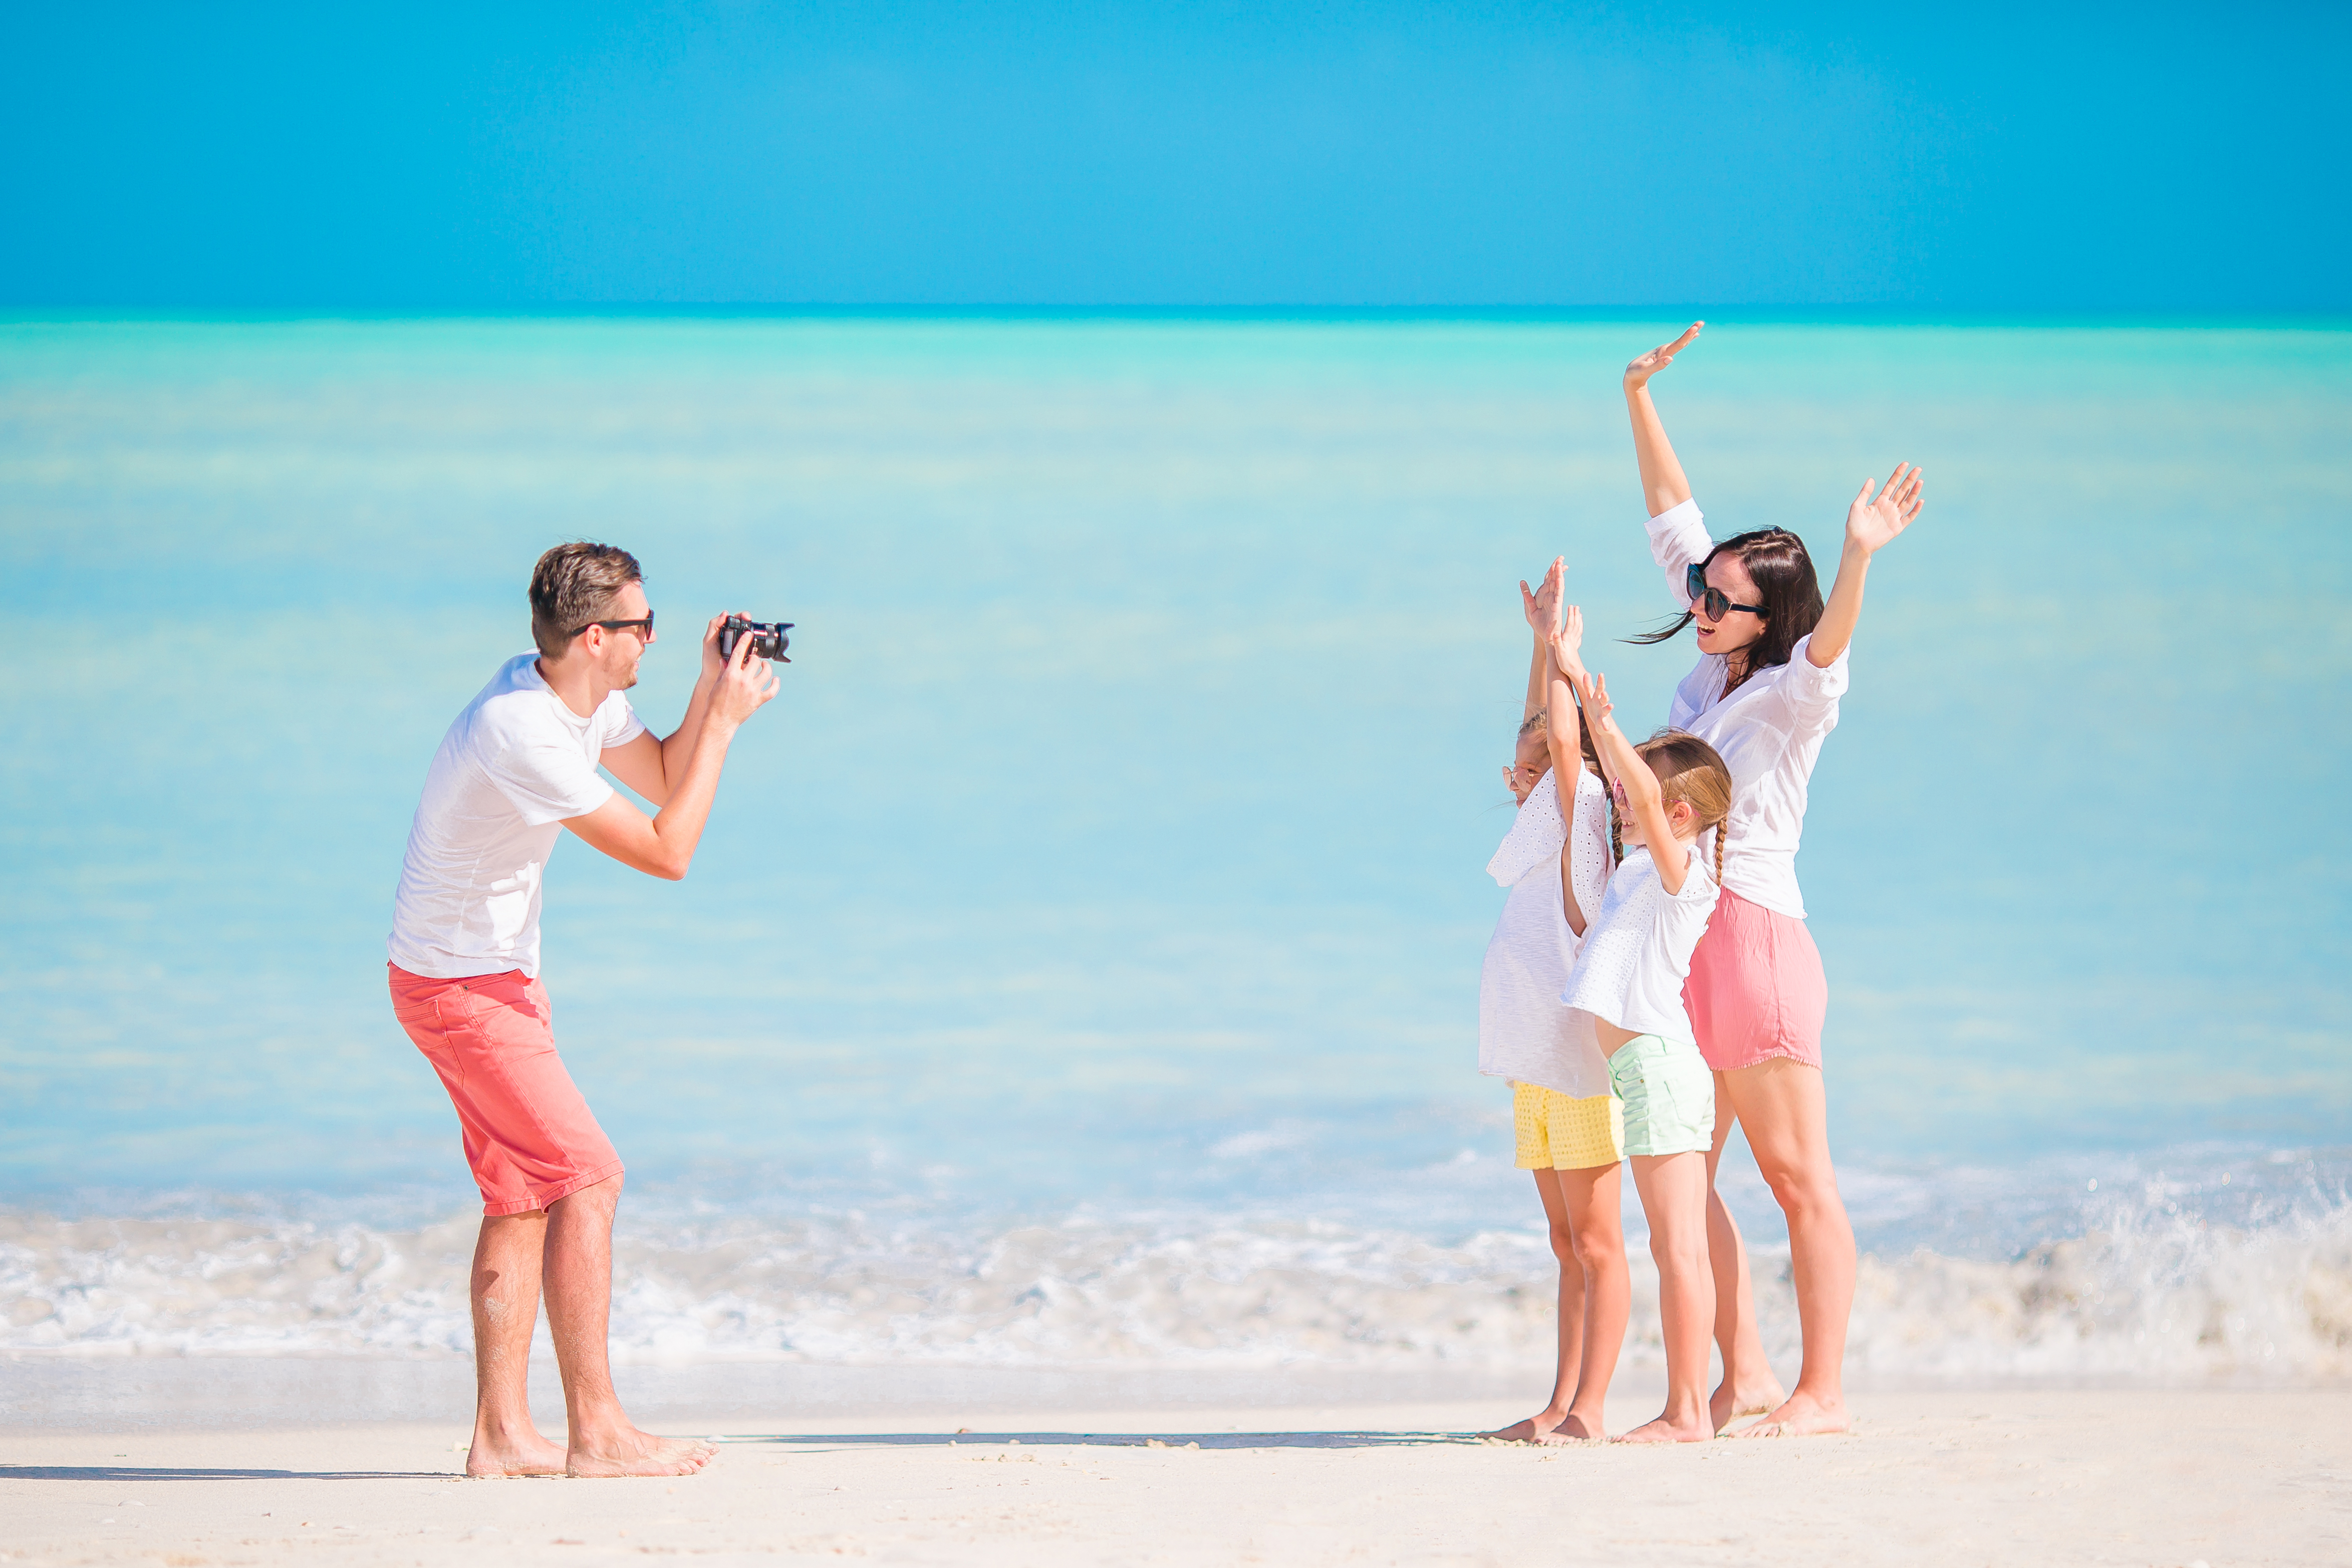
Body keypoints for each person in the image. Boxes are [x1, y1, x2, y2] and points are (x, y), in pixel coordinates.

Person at [386, 542, 780, 1478]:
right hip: (458, 988)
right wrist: (721, 730)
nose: (653, 633)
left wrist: (708, 695)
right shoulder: (517, 728)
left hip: (489, 979)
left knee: (522, 1194)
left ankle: (500, 1436)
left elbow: (664, 775)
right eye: (643, 625)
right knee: (589, 1177)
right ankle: (597, 1433)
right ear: (595, 636)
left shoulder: (579, 693)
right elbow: (666, 850)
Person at [1619, 321, 1927, 1437]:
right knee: (1681, 1175)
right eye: (1699, 589)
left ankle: (1822, 1391)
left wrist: (1855, 555)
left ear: (1766, 619)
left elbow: (1829, 650)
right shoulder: (1713, 663)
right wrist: (1636, 395)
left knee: (1797, 1178)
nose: (1696, 602)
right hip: (1680, 938)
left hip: (1752, 942)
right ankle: (1740, 1372)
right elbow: (1671, 518)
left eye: (1717, 597)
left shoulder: (1789, 695)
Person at [1550, 620, 1733, 1445]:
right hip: (1641, 1073)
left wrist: (1608, 723)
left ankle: (1687, 1410)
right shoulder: (1635, 876)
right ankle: (1685, 1405)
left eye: (1641, 795)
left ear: (1682, 814)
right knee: (1673, 1246)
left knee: (1677, 1249)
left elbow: (1646, 806)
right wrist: (1565, 671)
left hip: (1660, 1069)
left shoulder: (1683, 876)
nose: (1623, 799)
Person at [1477, 560, 1624, 1443]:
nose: (1515, 774)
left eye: (1529, 768)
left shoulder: (1586, 824)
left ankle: (1591, 1408)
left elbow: (1563, 748)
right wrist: (1537, 651)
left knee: (1597, 1244)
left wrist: (1566, 664)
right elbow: (1538, 736)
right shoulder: (1534, 835)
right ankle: (1559, 1401)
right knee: (1564, 1246)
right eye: (1513, 766)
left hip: (1578, 1073)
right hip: (1536, 1067)